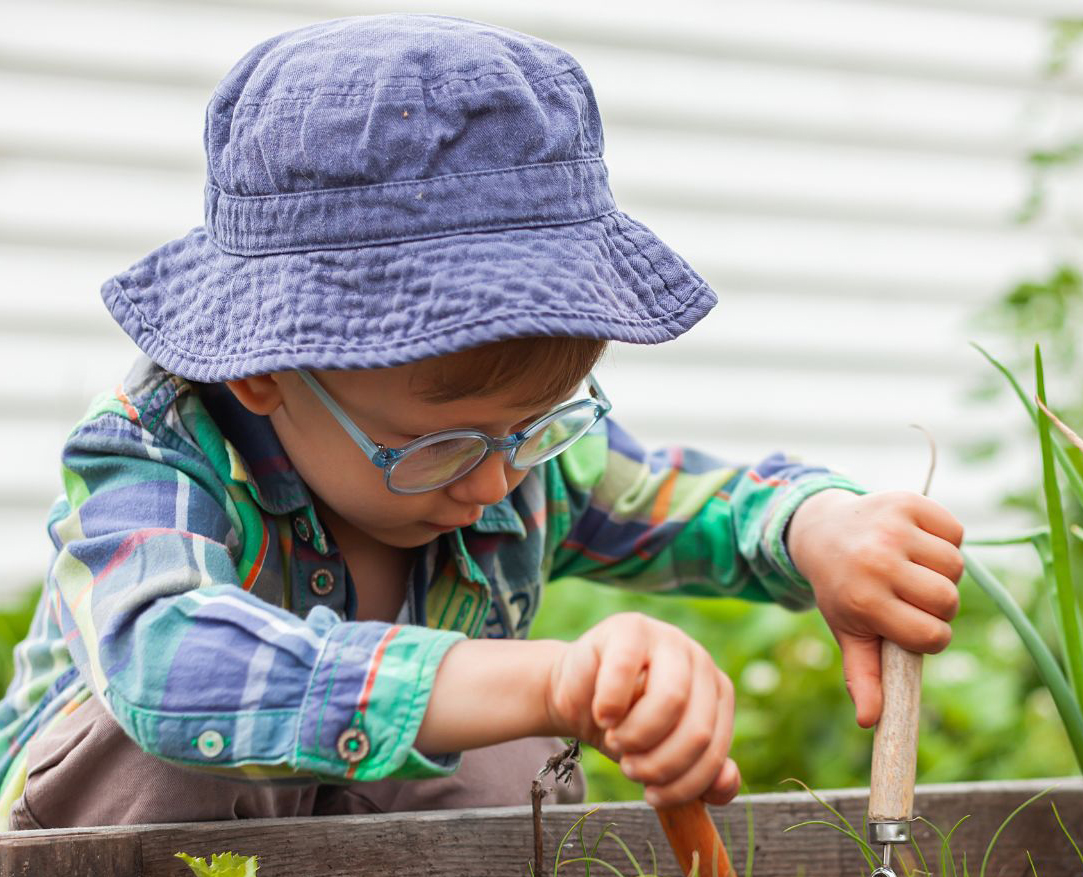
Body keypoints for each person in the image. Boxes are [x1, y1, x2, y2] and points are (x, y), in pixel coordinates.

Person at [0, 14, 964, 830]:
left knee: (513, 764)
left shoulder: (513, 462)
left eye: (535, 426)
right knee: (166, 758)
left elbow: (690, 503)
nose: (496, 480)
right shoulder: (154, 454)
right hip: (100, 873)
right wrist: (539, 680)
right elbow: (169, 661)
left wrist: (817, 528)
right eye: (445, 445)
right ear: (264, 374)